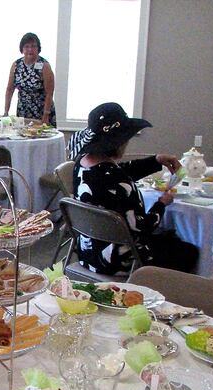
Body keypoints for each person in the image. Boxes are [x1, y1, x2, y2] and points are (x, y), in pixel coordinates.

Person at [70, 102, 198, 276]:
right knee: (189, 251)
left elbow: (118, 173)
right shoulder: (115, 178)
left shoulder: (82, 164)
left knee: (168, 239)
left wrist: (155, 161)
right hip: (119, 260)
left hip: (88, 252)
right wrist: (161, 203)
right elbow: (142, 227)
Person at [4, 32, 56, 126]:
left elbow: (49, 93)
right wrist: (6, 112)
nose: (30, 49)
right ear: (22, 49)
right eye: (26, 46)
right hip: (23, 112)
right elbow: (9, 89)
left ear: (38, 48)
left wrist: (46, 114)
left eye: (33, 46)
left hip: (41, 113)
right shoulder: (16, 65)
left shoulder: (45, 66)